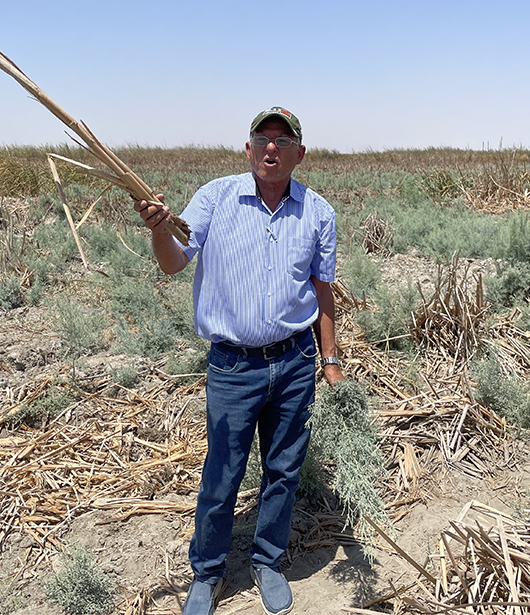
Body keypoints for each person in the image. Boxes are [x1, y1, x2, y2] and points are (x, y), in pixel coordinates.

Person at [134, 106, 344, 615]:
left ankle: (267, 560)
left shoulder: (317, 212)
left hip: (294, 363)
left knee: (283, 468)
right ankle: (206, 573)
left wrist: (330, 360)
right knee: (223, 473)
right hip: (232, 367)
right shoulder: (215, 198)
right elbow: (173, 264)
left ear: (299, 153)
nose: (271, 147)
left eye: (283, 139)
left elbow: (322, 292)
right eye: (262, 138)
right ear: (248, 148)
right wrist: (160, 228)